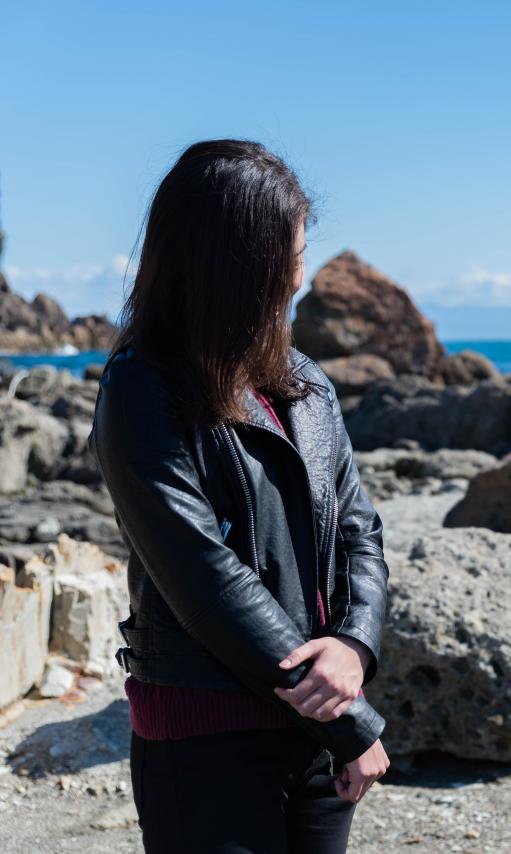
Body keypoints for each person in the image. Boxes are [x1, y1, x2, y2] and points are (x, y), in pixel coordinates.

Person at [91, 139, 390, 853]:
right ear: (240, 257)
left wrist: (353, 647)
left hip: (312, 727)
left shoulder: (305, 382)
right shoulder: (141, 387)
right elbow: (205, 578)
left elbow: (359, 532)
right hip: (206, 734)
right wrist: (343, 719)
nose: (300, 270)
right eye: (293, 248)